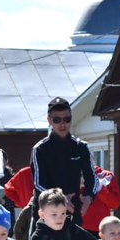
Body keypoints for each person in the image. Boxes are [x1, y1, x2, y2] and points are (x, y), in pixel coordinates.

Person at [30, 97, 97, 228]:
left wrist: (89, 197)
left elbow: (92, 177)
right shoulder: (40, 149)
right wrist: (60, 199)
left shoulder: (81, 147)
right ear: (49, 120)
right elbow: (38, 184)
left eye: (67, 119)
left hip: (72, 212)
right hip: (46, 215)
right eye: (57, 120)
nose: (62, 124)